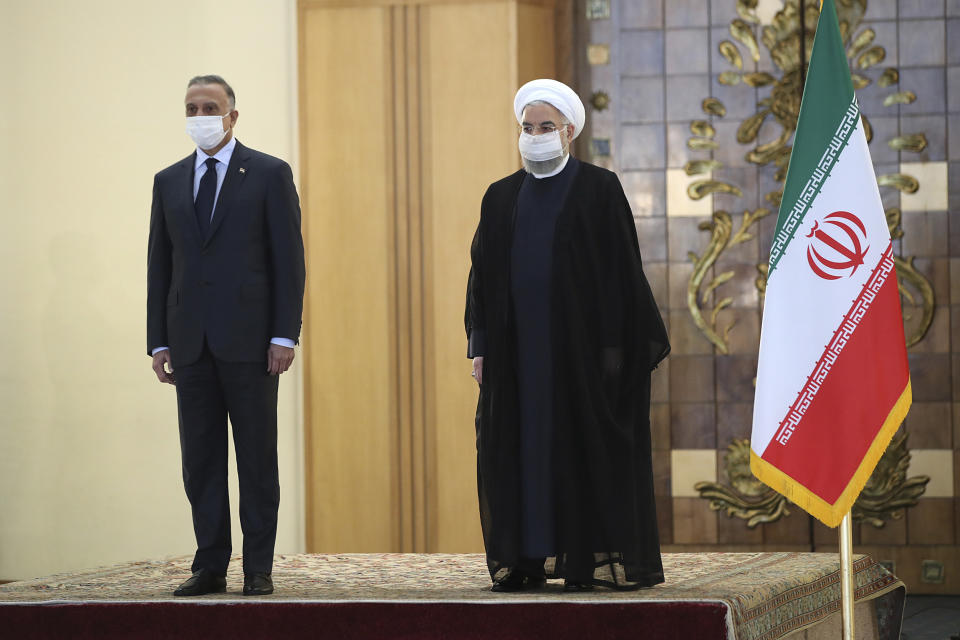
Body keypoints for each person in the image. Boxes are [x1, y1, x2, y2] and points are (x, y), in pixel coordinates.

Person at [465, 79, 670, 592]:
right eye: (528, 128)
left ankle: (584, 562)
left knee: (581, 452)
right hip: (517, 359)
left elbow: (622, 278)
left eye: (546, 127)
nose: (535, 136)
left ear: (569, 132)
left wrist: (613, 357)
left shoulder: (599, 190)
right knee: (520, 452)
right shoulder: (500, 196)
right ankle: (527, 559)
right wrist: (481, 344)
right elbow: (481, 277)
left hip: (580, 360)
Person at [147, 75, 305, 597]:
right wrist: (158, 340)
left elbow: (289, 261)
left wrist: (285, 334)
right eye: (192, 107)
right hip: (189, 342)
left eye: (210, 107)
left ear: (232, 115)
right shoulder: (168, 180)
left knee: (256, 459)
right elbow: (159, 266)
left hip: (252, 343)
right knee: (201, 461)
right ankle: (210, 563)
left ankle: (257, 566)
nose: (200, 115)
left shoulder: (267, 173)